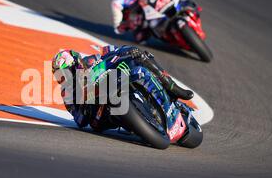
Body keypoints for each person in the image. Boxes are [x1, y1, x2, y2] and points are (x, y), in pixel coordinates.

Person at [51, 45, 193, 131]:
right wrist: (85, 106)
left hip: (115, 81)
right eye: (60, 75)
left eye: (66, 72)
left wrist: (129, 52)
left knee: (140, 56)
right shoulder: (67, 93)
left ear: (77, 63)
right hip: (101, 114)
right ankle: (134, 123)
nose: (64, 77)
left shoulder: (91, 60)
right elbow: (80, 121)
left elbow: (113, 54)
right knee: (96, 123)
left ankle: (172, 87)